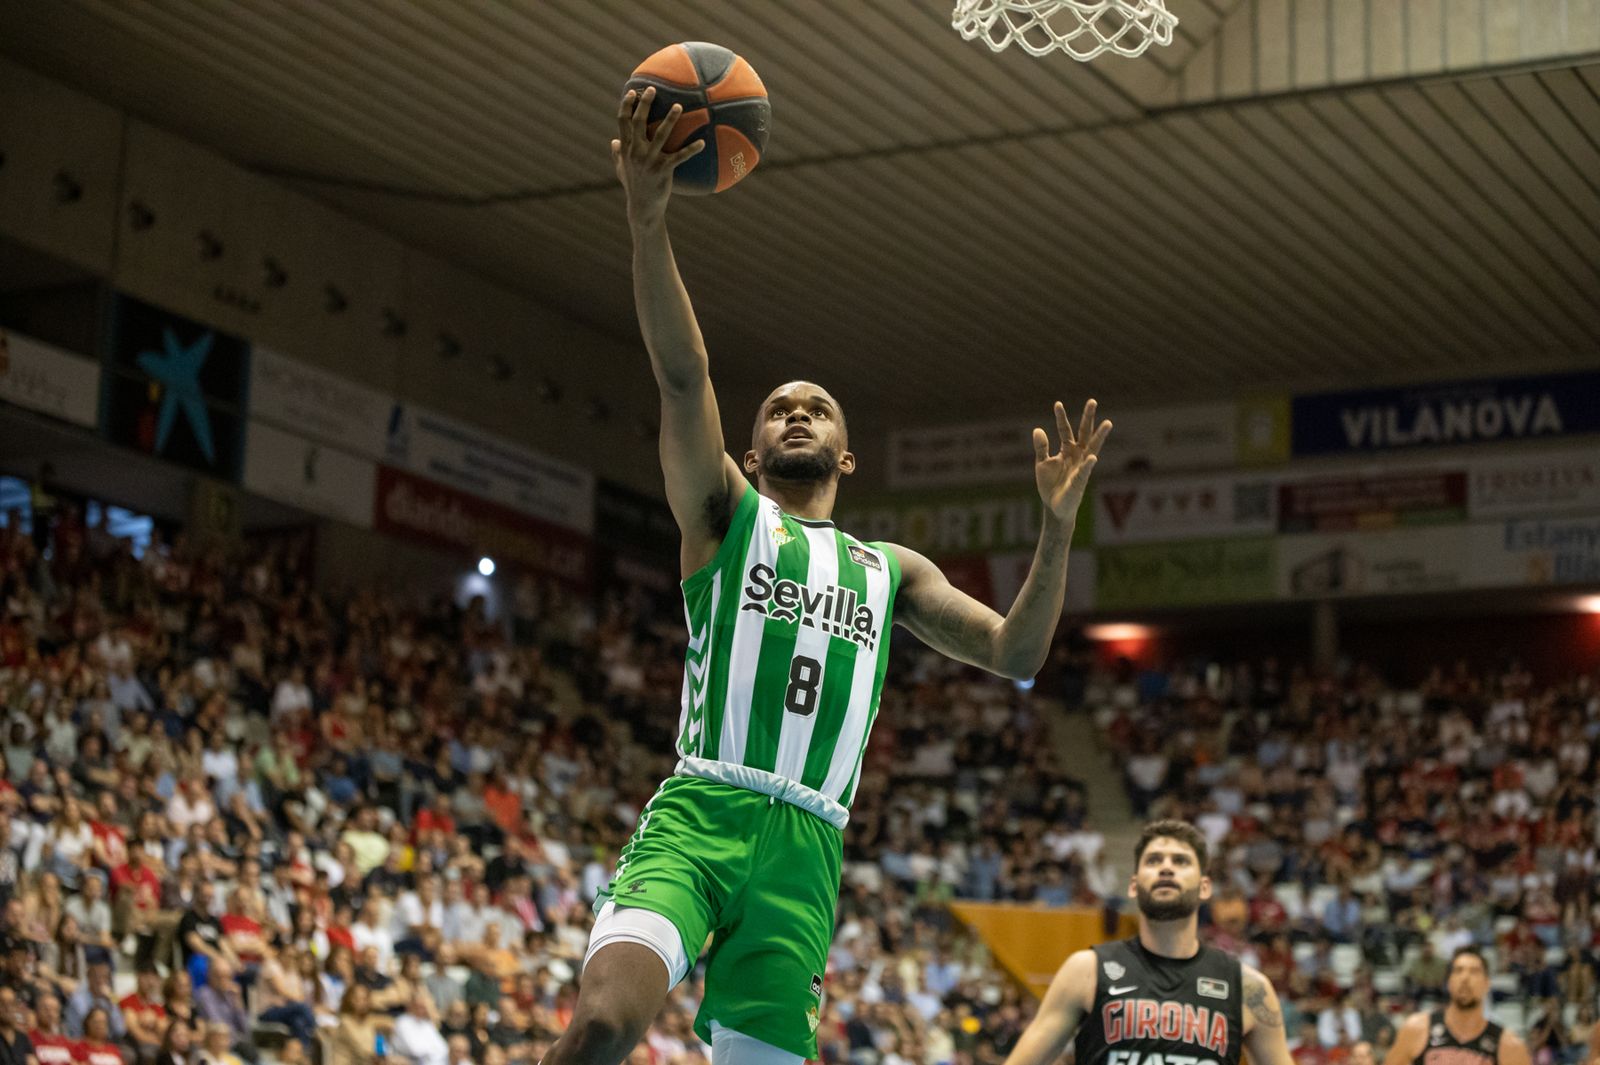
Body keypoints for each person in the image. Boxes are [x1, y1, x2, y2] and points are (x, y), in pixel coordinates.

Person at [543, 84, 1111, 1065]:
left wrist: (1055, 529)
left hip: (806, 853)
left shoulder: (888, 572)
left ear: (847, 456)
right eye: (776, 409)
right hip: (703, 814)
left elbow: (1018, 651)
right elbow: (683, 377)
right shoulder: (724, 513)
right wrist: (647, 220)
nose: (796, 413)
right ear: (754, 451)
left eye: (817, 408)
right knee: (601, 1023)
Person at [1000, 819, 1295, 1065]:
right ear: (1133, 885)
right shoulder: (1086, 971)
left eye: (1180, 861)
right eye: (1154, 861)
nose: (1166, 868)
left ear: (1205, 887)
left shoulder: (1248, 988)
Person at [1382, 948, 1531, 1065]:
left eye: (1474, 971)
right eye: (1458, 970)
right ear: (1448, 982)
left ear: (1487, 984)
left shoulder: (1509, 1045)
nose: (1465, 978)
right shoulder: (1417, 1029)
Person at [0, 986, 37, 1065]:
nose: (7, 1007)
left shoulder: (22, 1038)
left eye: (11, 1003)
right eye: (2, 1003)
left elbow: (32, 1062)